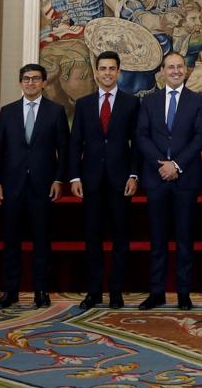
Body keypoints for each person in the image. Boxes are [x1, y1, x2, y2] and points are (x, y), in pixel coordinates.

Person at [0, 64, 70, 310]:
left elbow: (64, 150)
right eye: (27, 79)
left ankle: (41, 290)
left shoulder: (56, 111)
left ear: (44, 83)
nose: (31, 83)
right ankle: (10, 291)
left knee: (41, 241)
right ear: (20, 82)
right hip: (12, 186)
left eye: (36, 79)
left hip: (43, 187)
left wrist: (59, 180)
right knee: (11, 241)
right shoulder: (8, 112)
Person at [135, 51, 202, 310]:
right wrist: (162, 165)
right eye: (171, 67)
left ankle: (183, 293)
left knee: (184, 239)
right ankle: (156, 292)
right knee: (157, 239)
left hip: (186, 180)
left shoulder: (197, 101)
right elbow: (141, 135)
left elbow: (200, 137)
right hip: (156, 179)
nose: (176, 71)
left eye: (180, 67)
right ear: (163, 71)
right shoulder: (149, 101)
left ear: (185, 71)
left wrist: (176, 165)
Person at [68, 50, 140, 311]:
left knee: (121, 238)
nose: (107, 73)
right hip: (91, 181)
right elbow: (75, 141)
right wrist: (74, 176)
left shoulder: (131, 103)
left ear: (119, 72)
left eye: (112, 69)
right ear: (96, 72)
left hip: (121, 182)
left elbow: (137, 144)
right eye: (103, 69)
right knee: (93, 238)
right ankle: (94, 290)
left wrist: (134, 174)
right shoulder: (84, 104)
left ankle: (116, 291)